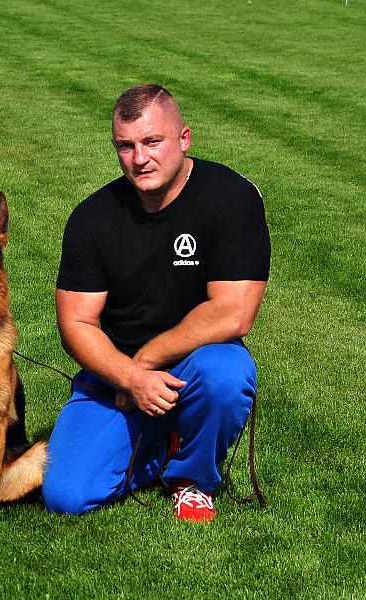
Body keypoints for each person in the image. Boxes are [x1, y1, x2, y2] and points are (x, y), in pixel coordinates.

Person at [42, 84, 270, 522]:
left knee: (226, 374)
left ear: (184, 139)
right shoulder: (93, 217)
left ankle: (193, 480)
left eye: (152, 142)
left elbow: (234, 313)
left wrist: (146, 362)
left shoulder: (231, 197)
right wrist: (130, 377)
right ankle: (162, 449)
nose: (140, 158)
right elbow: (76, 324)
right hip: (116, 373)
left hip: (194, 363)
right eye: (125, 146)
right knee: (65, 496)